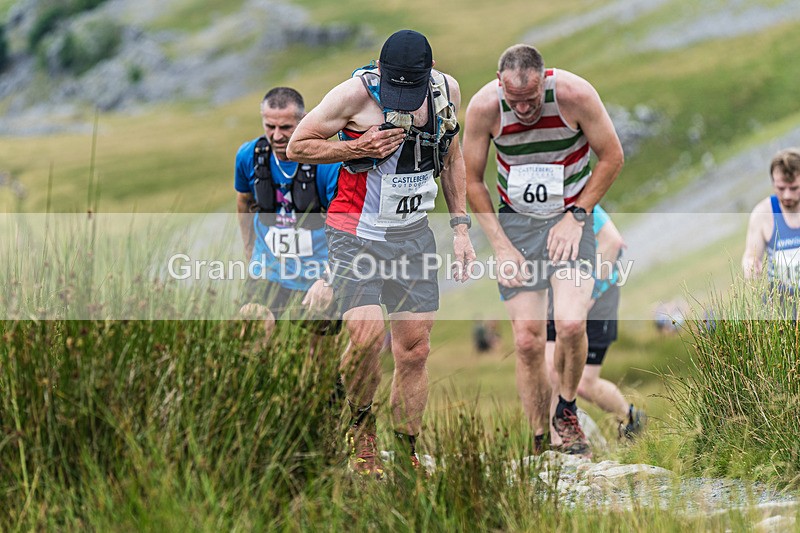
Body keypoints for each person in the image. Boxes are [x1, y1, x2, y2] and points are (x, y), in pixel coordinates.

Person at [287, 29, 476, 477]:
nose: (402, 99)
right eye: (395, 89)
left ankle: (408, 450)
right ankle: (361, 431)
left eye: (410, 91)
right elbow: (298, 145)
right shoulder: (352, 95)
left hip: (412, 236)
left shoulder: (447, 91)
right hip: (356, 232)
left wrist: (462, 227)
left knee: (415, 349)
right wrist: (355, 147)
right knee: (367, 337)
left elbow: (451, 157)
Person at [463, 44, 624, 457]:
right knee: (528, 342)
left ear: (544, 80)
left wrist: (578, 215)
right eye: (515, 101)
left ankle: (566, 410)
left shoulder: (575, 95)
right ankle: (539, 438)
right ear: (501, 86)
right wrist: (500, 246)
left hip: (569, 222)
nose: (525, 109)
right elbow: (473, 180)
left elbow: (612, 156)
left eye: (532, 99)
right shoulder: (484, 108)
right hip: (516, 227)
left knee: (570, 325)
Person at [234, 87, 342, 343]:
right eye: (270, 126)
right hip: (267, 271)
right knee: (253, 327)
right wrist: (250, 252)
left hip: (314, 275)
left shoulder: (328, 162)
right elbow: (243, 201)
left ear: (303, 121)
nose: (277, 135)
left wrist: (329, 279)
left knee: (318, 359)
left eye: (285, 127)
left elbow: (344, 226)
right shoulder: (249, 156)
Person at [545, 205, 646, 445]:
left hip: (598, 297)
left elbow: (613, 242)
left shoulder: (578, 196)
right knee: (551, 369)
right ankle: (558, 442)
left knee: (584, 383)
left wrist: (591, 294)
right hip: (559, 292)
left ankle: (631, 420)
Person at [743, 148, 800, 312]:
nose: (787, 195)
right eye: (781, 188)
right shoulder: (762, 214)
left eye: (794, 188)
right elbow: (750, 256)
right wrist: (751, 266)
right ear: (773, 182)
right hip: (782, 307)